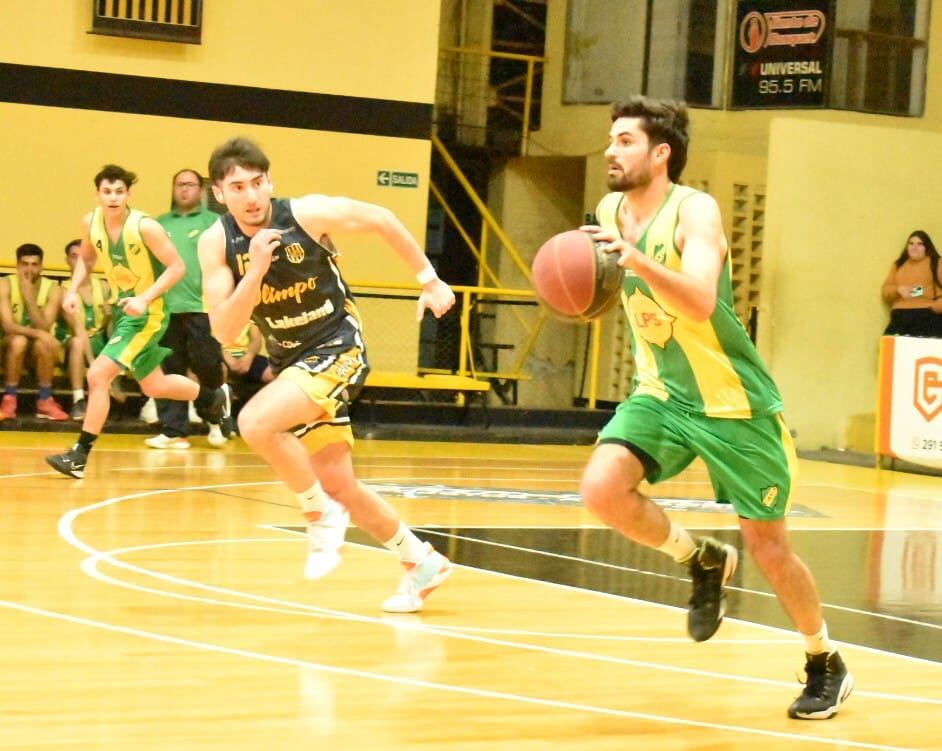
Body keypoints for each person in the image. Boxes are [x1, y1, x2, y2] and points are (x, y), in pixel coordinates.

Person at [578, 97, 853, 720]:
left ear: (660, 152)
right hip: (662, 393)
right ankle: (700, 557)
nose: (610, 151)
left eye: (624, 140)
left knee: (770, 549)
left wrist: (638, 260)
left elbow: (702, 300)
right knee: (601, 489)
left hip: (733, 403)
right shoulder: (606, 212)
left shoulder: (694, 211)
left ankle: (824, 660)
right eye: (610, 140)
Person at [199, 137, 455, 612]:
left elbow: (380, 218)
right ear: (220, 194)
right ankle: (420, 561)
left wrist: (429, 278)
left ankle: (317, 513)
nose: (251, 196)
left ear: (270, 181)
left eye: (258, 183)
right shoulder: (216, 242)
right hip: (294, 363)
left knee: (255, 423)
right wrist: (255, 272)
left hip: (339, 346)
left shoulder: (306, 214)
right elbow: (224, 329)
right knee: (341, 483)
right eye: (238, 187)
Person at [46, 164, 226, 479]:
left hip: (149, 312)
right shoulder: (91, 222)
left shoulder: (145, 226)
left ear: (128, 194)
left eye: (119, 191)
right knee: (154, 384)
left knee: (98, 375)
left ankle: (79, 455)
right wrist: (73, 289)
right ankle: (212, 396)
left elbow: (177, 268)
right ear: (98, 193)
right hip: (124, 310)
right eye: (107, 191)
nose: (113, 197)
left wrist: (145, 299)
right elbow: (87, 259)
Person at [146, 168, 230, 450]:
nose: (184, 190)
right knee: (171, 369)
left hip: (203, 307)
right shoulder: (157, 224)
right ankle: (174, 431)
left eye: (190, 185)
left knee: (206, 364)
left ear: (201, 190)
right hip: (167, 309)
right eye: (179, 184)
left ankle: (217, 418)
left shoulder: (215, 222)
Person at [0, 243, 69, 420]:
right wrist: (39, 333)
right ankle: (10, 399)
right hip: (7, 347)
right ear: (17, 265)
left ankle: (45, 400)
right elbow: (8, 327)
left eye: (34, 264)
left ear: (41, 266)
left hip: (36, 351)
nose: (29, 269)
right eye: (25, 264)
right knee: (19, 341)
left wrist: (30, 298)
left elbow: (45, 326)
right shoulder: (4, 284)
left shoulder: (53, 289)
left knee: (43, 342)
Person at [55, 239, 112, 421]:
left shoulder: (104, 287)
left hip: (99, 341)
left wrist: (111, 316)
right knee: (79, 343)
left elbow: (111, 329)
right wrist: (92, 361)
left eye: (84, 257)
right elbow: (78, 329)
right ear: (67, 260)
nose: (79, 262)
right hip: (72, 344)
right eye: (74, 257)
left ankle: (150, 402)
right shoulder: (62, 290)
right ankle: (78, 400)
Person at [881, 230, 942, 337]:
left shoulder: (936, 263)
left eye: (920, 244)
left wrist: (937, 306)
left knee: (925, 352)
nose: (914, 247)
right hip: (900, 315)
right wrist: (897, 290)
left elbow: (923, 291)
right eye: (911, 243)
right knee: (889, 348)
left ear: (927, 247)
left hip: (927, 315)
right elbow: (886, 291)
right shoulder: (898, 265)